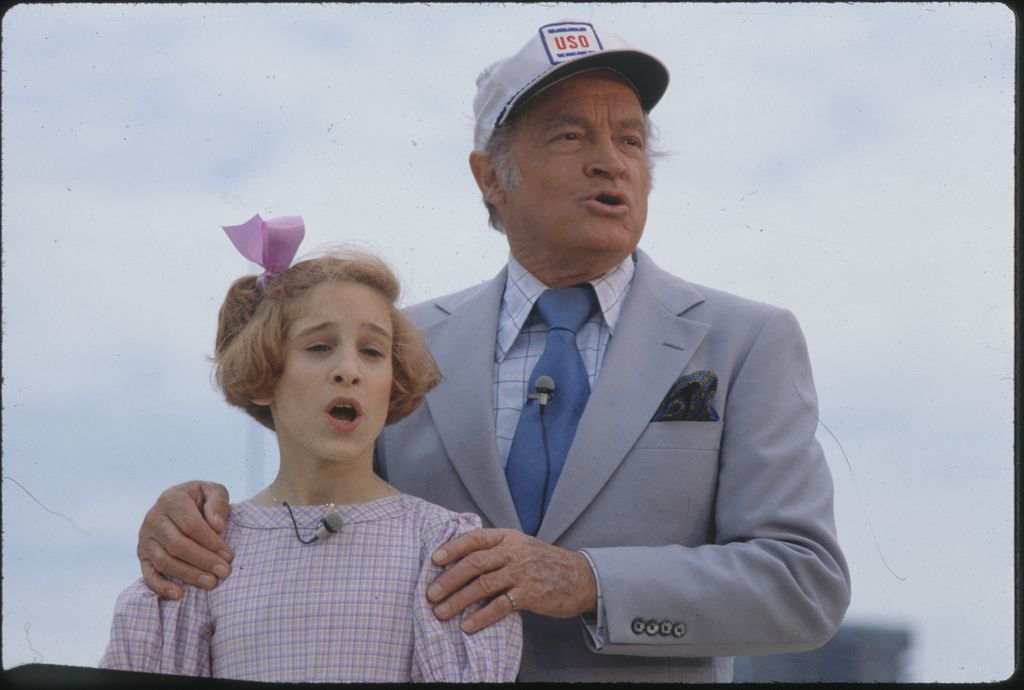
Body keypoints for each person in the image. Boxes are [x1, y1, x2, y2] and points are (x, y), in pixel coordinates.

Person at [135, 22, 851, 682]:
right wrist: (198, 515)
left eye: (631, 140)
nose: (611, 163)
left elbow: (804, 584)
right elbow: (320, 503)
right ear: (489, 176)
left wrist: (587, 581)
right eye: (570, 137)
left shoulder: (747, 341)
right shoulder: (394, 348)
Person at [100, 215, 521, 682]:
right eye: (320, 347)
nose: (348, 369)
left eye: (372, 352)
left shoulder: (438, 547)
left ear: (393, 380)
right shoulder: (204, 550)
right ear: (265, 374)